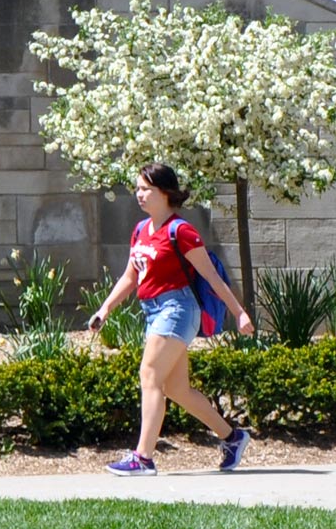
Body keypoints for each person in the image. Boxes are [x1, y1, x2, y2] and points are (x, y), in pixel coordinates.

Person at [85, 162, 255, 476]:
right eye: (137, 188)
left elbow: (214, 279)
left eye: (146, 189)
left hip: (178, 308)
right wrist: (104, 309)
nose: (139, 194)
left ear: (166, 193)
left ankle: (143, 458)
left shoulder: (182, 232)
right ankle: (232, 437)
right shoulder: (141, 231)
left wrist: (239, 312)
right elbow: (130, 276)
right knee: (177, 389)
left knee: (149, 373)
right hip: (153, 310)